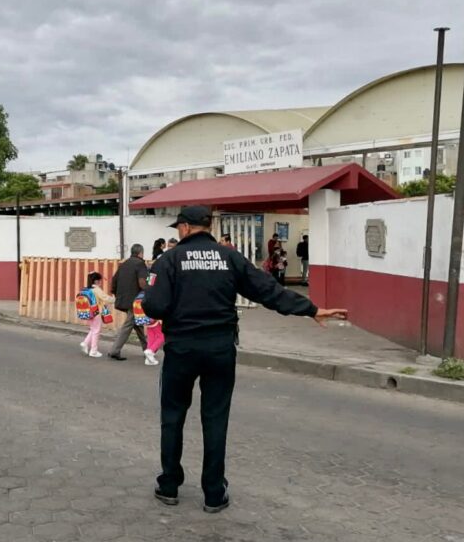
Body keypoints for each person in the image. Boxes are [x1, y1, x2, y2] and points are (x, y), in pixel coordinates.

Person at [142, 205, 347, 513]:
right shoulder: (230, 258)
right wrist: (311, 309)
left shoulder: (168, 260)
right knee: (215, 419)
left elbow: (154, 307)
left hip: (182, 349)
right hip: (220, 349)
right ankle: (213, 492)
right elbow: (268, 291)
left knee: (173, 416)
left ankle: (169, 485)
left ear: (184, 227)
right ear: (208, 225)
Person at [108, 244, 149, 360]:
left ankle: (147, 350)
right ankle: (114, 351)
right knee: (129, 324)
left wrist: (116, 294)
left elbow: (114, 281)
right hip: (135, 301)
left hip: (123, 299)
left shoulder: (124, 264)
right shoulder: (140, 264)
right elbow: (142, 283)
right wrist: (149, 292)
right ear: (140, 253)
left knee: (138, 324)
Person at [79, 272, 114, 358]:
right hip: (96, 313)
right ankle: (93, 351)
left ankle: (85, 343)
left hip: (88, 312)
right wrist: (114, 298)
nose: (100, 282)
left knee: (93, 329)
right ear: (96, 281)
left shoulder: (86, 289)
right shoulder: (96, 289)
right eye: (99, 280)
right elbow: (105, 298)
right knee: (96, 331)